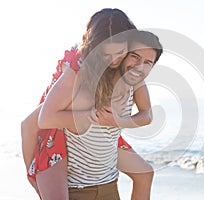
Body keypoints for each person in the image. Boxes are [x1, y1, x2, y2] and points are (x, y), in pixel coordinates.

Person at [20, 8, 160, 200]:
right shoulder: (79, 70)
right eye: (106, 53)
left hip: (102, 139)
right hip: (55, 130)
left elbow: (147, 114)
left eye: (119, 52)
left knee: (145, 173)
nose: (113, 59)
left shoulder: (131, 69)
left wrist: (118, 120)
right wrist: (33, 175)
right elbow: (32, 123)